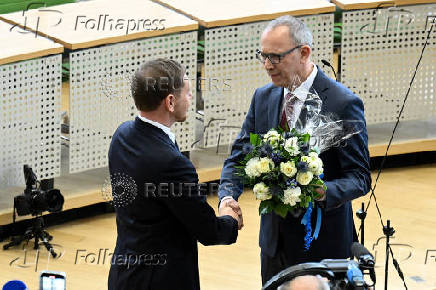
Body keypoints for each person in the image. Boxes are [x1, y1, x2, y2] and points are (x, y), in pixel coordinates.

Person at [218, 15, 371, 285]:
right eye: (262, 56)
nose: (267, 65)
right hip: (274, 245)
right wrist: (227, 197)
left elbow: (359, 178)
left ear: (304, 52)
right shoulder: (263, 97)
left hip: (322, 247)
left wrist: (321, 191)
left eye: (275, 57)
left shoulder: (342, 103)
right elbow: (239, 156)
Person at [108, 58, 241, 290]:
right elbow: (208, 231)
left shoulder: (122, 135)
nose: (191, 99)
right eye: (188, 93)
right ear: (170, 101)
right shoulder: (172, 164)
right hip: (162, 280)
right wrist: (230, 219)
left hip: (125, 275)